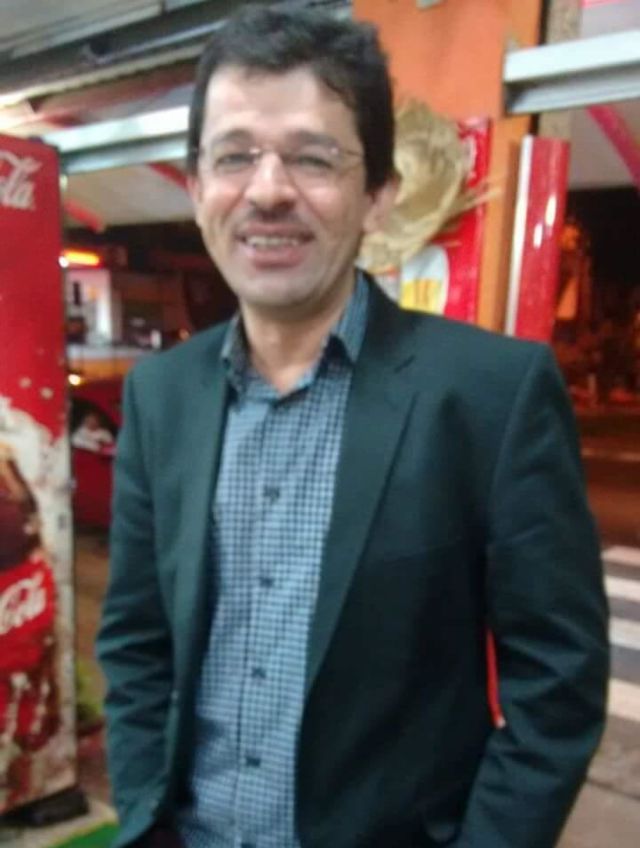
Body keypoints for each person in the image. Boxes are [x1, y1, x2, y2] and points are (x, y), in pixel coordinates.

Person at [97, 7, 609, 848]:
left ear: (378, 195)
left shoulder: (489, 395)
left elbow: (557, 685)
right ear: (196, 189)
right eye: (234, 156)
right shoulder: (162, 395)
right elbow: (136, 640)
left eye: (312, 157)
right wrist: (146, 810)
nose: (268, 190)